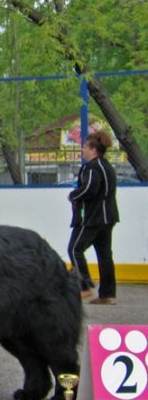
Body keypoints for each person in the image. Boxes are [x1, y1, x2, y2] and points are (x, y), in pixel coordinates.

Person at [68, 129, 119, 305]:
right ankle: (108, 293)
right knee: (105, 254)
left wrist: (73, 195)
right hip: (109, 217)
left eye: (85, 147)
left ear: (93, 150)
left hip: (94, 218)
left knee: (75, 249)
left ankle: (84, 286)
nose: (83, 150)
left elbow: (90, 189)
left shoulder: (92, 167)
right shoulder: (107, 166)